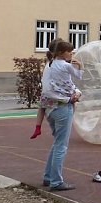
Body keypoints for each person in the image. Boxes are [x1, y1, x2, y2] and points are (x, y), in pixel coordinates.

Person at [40, 40, 82, 191]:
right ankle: (56, 181)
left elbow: (68, 84)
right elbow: (75, 80)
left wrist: (76, 92)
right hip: (62, 108)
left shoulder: (49, 66)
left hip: (52, 109)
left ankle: (48, 176)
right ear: (60, 52)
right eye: (69, 51)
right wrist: (70, 97)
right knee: (61, 146)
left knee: (57, 143)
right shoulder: (63, 66)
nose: (71, 54)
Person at [30, 37, 63, 139]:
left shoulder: (49, 62)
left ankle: (38, 126)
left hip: (46, 92)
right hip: (55, 95)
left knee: (42, 107)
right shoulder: (59, 64)